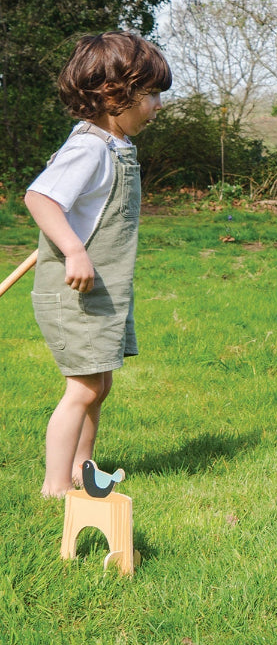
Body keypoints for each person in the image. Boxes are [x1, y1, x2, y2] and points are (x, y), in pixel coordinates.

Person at [24, 32, 171, 498]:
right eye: (151, 95)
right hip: (77, 293)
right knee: (82, 389)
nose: (157, 106)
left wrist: (75, 237)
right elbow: (41, 197)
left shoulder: (114, 145)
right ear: (114, 95)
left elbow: (76, 205)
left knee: (98, 384)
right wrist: (73, 249)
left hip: (103, 291)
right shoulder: (90, 147)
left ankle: (82, 468)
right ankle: (54, 486)